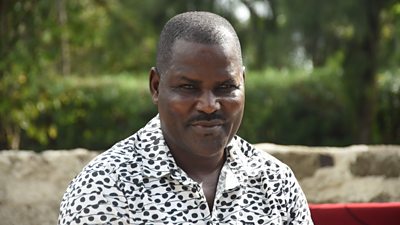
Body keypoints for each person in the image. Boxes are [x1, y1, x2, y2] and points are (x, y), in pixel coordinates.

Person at [59, 11, 314, 225]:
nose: (208, 105)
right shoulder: (105, 187)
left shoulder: (276, 183)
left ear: (243, 84)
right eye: (188, 87)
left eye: (225, 87)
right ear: (156, 87)